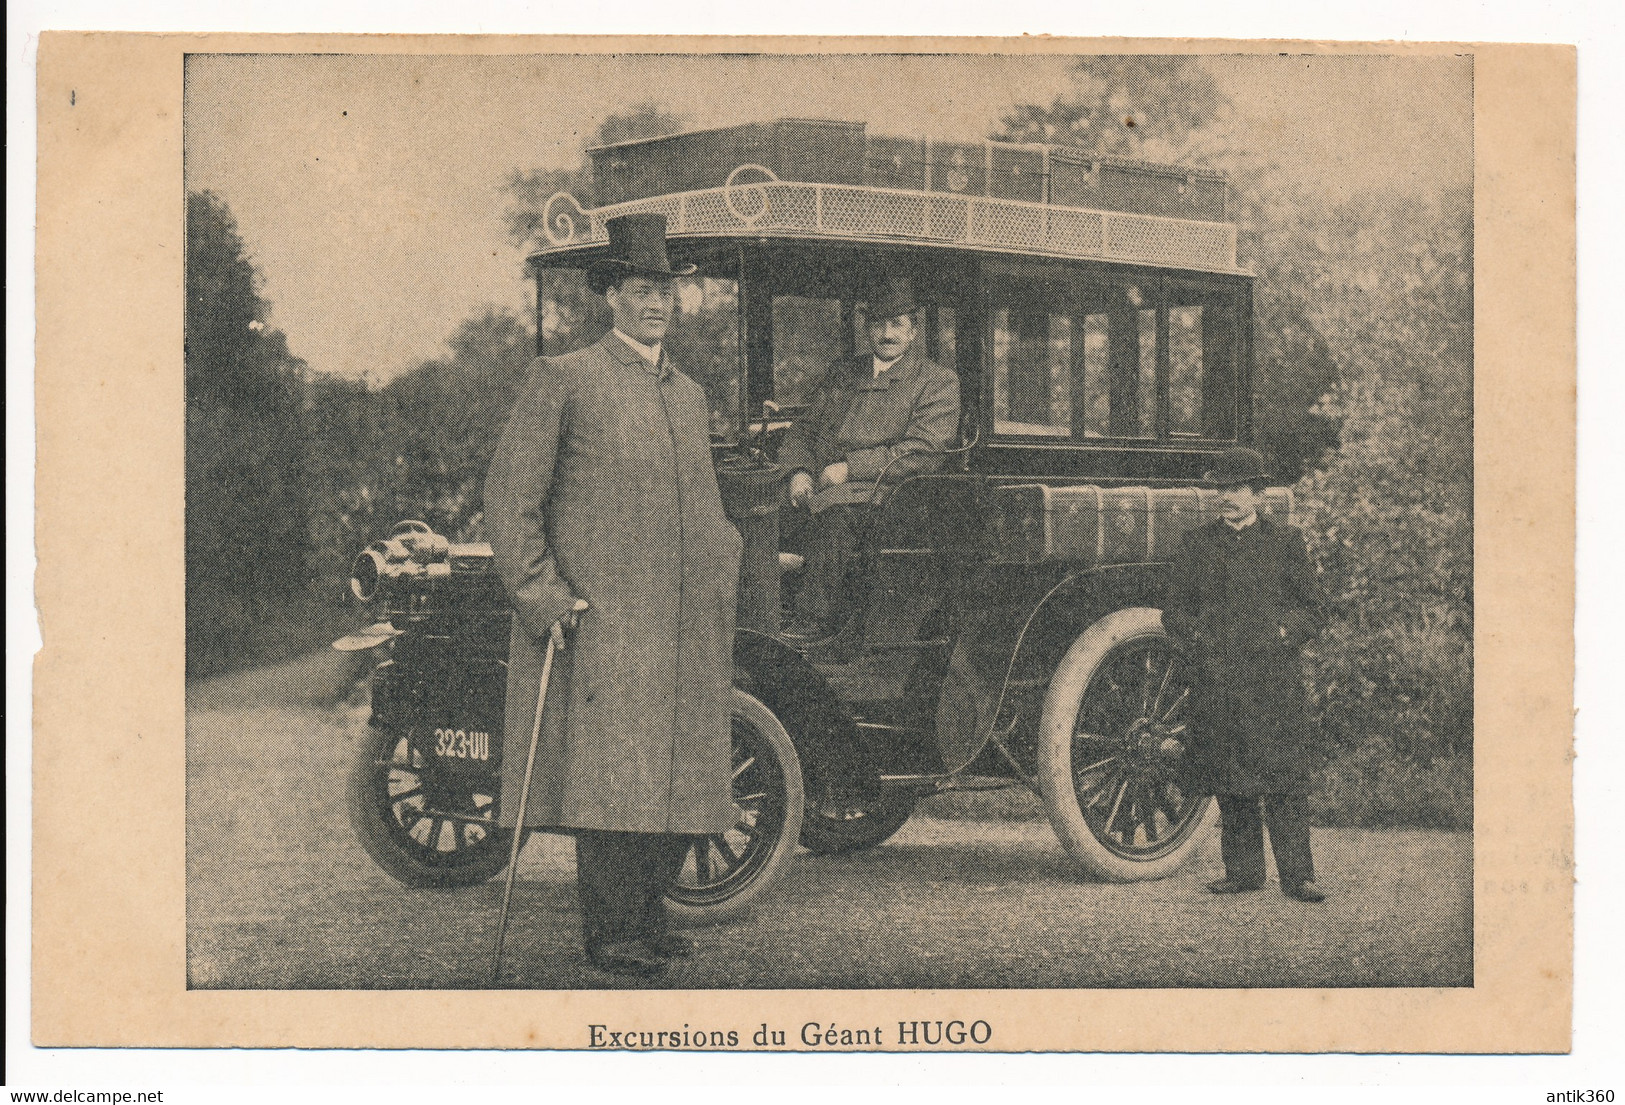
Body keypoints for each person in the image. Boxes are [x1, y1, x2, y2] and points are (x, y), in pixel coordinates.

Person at [484, 213, 743, 977]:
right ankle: (610, 933)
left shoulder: (689, 395)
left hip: (684, 627)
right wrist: (543, 595)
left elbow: (703, 506)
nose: (653, 303)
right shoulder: (564, 378)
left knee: (674, 777)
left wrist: (721, 572)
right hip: (605, 623)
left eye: (663, 290)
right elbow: (509, 497)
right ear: (611, 298)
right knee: (613, 785)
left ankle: (649, 917)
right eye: (638, 289)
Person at [1161, 446, 1329, 903]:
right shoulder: (1196, 545)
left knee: (1284, 779)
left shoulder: (1284, 543)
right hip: (1219, 681)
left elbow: (1312, 610)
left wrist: (1281, 633)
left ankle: (1299, 877)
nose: (1226, 497)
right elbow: (1173, 612)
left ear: (1257, 494)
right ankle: (1243, 873)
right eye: (1221, 489)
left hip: (1273, 681)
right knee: (1232, 778)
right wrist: (1199, 642)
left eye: (1236, 489)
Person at [776, 274, 961, 645]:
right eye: (878, 324)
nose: (887, 334)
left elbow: (923, 452)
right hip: (822, 490)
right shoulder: (844, 374)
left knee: (837, 520)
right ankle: (761, 613)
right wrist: (799, 472)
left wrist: (849, 469)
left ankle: (814, 624)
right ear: (867, 329)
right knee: (760, 516)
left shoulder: (936, 382)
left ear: (913, 331)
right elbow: (805, 429)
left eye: (897, 324)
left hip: (888, 498)